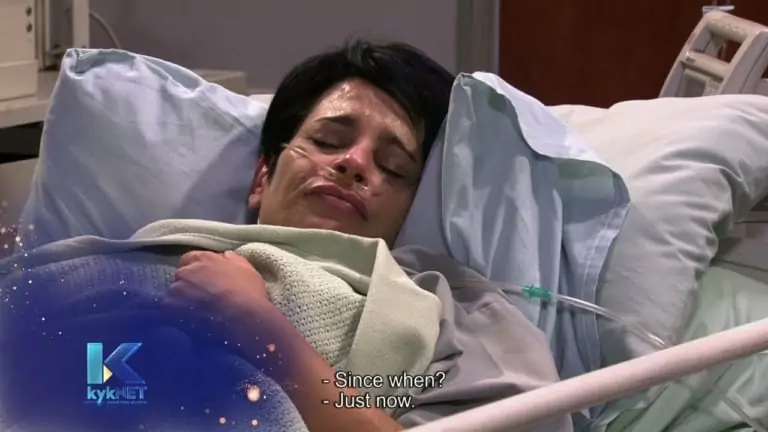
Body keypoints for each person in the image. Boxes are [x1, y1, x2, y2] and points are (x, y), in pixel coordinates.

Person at [168, 40, 572, 432]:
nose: (354, 162)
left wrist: (262, 332)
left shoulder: (463, 324)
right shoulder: (159, 251)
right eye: (327, 142)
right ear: (262, 177)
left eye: (393, 166)